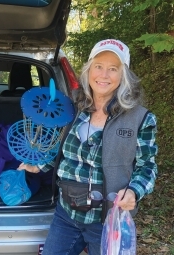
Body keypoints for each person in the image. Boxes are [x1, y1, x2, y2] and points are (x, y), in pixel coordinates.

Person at [18, 39, 158, 255]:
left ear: (124, 75)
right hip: (66, 214)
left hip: (106, 219)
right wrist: (39, 165)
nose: (103, 75)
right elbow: (60, 148)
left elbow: (147, 167)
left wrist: (133, 191)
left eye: (113, 69)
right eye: (98, 66)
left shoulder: (140, 119)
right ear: (88, 69)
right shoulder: (74, 107)